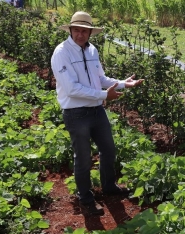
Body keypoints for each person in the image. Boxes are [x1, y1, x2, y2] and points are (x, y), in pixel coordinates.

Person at [51, 11, 144, 215]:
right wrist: (103, 95)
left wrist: (122, 84)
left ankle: (109, 187)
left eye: (85, 31)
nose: (80, 35)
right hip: (76, 113)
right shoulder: (62, 53)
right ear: (70, 30)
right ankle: (86, 199)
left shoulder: (92, 50)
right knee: (83, 157)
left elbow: (99, 78)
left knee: (108, 149)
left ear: (90, 32)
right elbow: (71, 89)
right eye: (77, 30)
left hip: (96, 110)